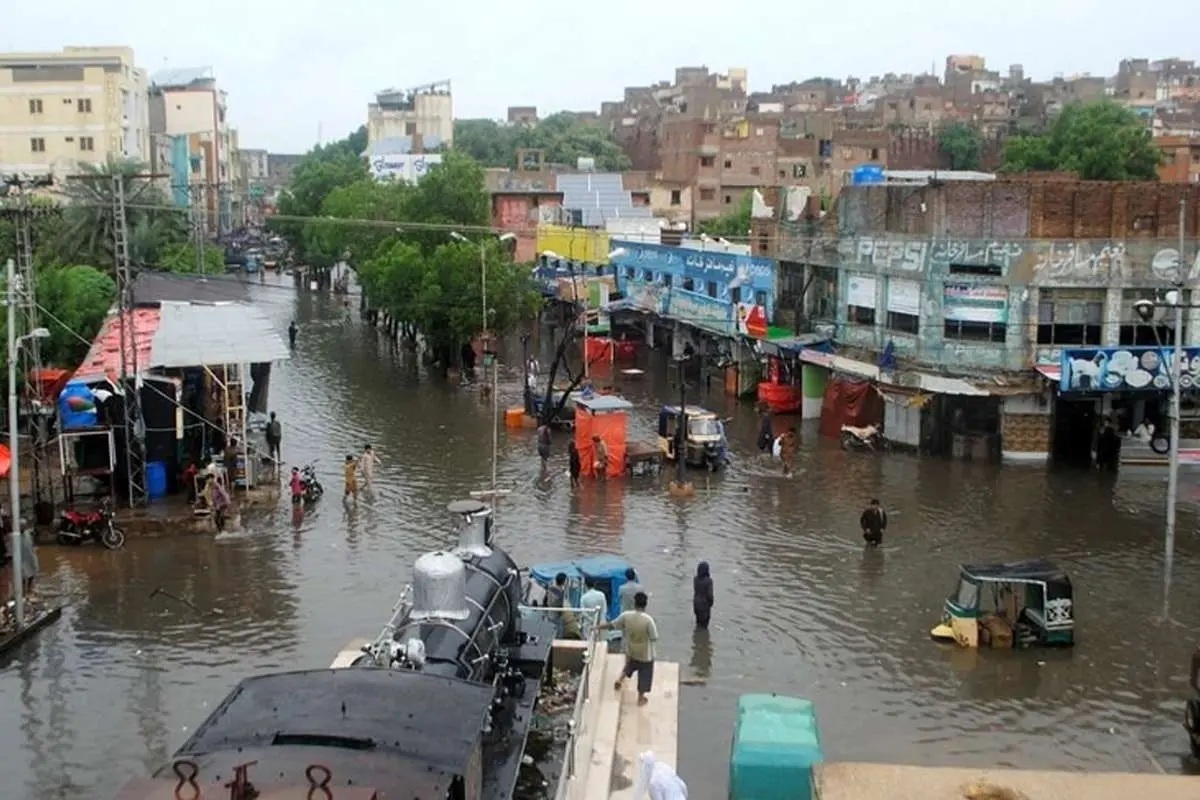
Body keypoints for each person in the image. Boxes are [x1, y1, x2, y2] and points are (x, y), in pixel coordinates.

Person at [599, 591, 659, 706]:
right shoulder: (648, 620)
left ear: (634, 603)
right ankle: (640, 698)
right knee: (645, 675)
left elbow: (612, 625)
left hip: (631, 649)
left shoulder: (626, 616)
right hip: (645, 654)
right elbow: (654, 637)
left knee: (630, 666)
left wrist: (598, 627)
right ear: (645, 604)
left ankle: (619, 680)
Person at [549, 572, 581, 640]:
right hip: (557, 617)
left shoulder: (550, 590)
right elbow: (559, 606)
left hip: (551, 616)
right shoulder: (559, 592)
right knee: (558, 635)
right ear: (564, 581)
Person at [692, 561, 714, 630]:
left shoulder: (695, 579)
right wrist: (711, 603)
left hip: (696, 604)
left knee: (698, 623)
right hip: (704, 606)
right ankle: (703, 639)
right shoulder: (709, 581)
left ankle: (697, 636)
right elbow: (710, 595)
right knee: (704, 626)